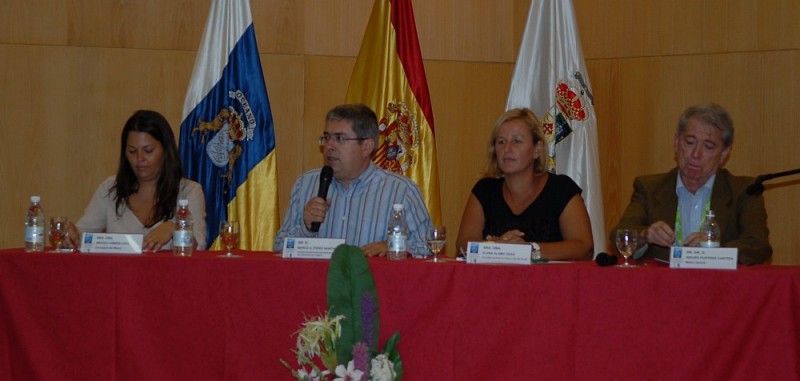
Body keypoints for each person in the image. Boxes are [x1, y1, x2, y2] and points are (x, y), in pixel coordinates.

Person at [612, 103, 772, 265]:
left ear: (724, 153)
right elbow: (618, 235)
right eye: (689, 142)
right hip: (662, 286)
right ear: (676, 142)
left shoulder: (744, 190)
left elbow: (758, 245)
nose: (696, 154)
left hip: (720, 286)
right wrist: (645, 235)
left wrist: (716, 250)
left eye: (708, 146)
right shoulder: (649, 187)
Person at [274, 104, 433, 256]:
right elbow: (279, 246)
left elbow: (429, 247)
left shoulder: (401, 191)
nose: (329, 146)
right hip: (318, 282)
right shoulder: (306, 185)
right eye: (327, 137)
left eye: (340, 138)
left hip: (374, 283)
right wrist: (306, 230)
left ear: (367, 146)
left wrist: (392, 246)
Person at [456, 108, 594, 261]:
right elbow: (463, 244)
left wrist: (530, 249)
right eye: (501, 142)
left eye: (517, 141)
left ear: (536, 149)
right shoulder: (485, 191)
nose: (507, 149)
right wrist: (497, 247)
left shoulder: (561, 189)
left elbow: (584, 247)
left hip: (551, 283)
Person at [67, 110, 207, 252]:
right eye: (132, 151)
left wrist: (175, 227)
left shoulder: (189, 192)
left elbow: (198, 246)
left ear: (165, 150)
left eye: (148, 150)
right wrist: (72, 235)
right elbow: (83, 234)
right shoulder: (110, 189)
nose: (139, 159)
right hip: (119, 273)